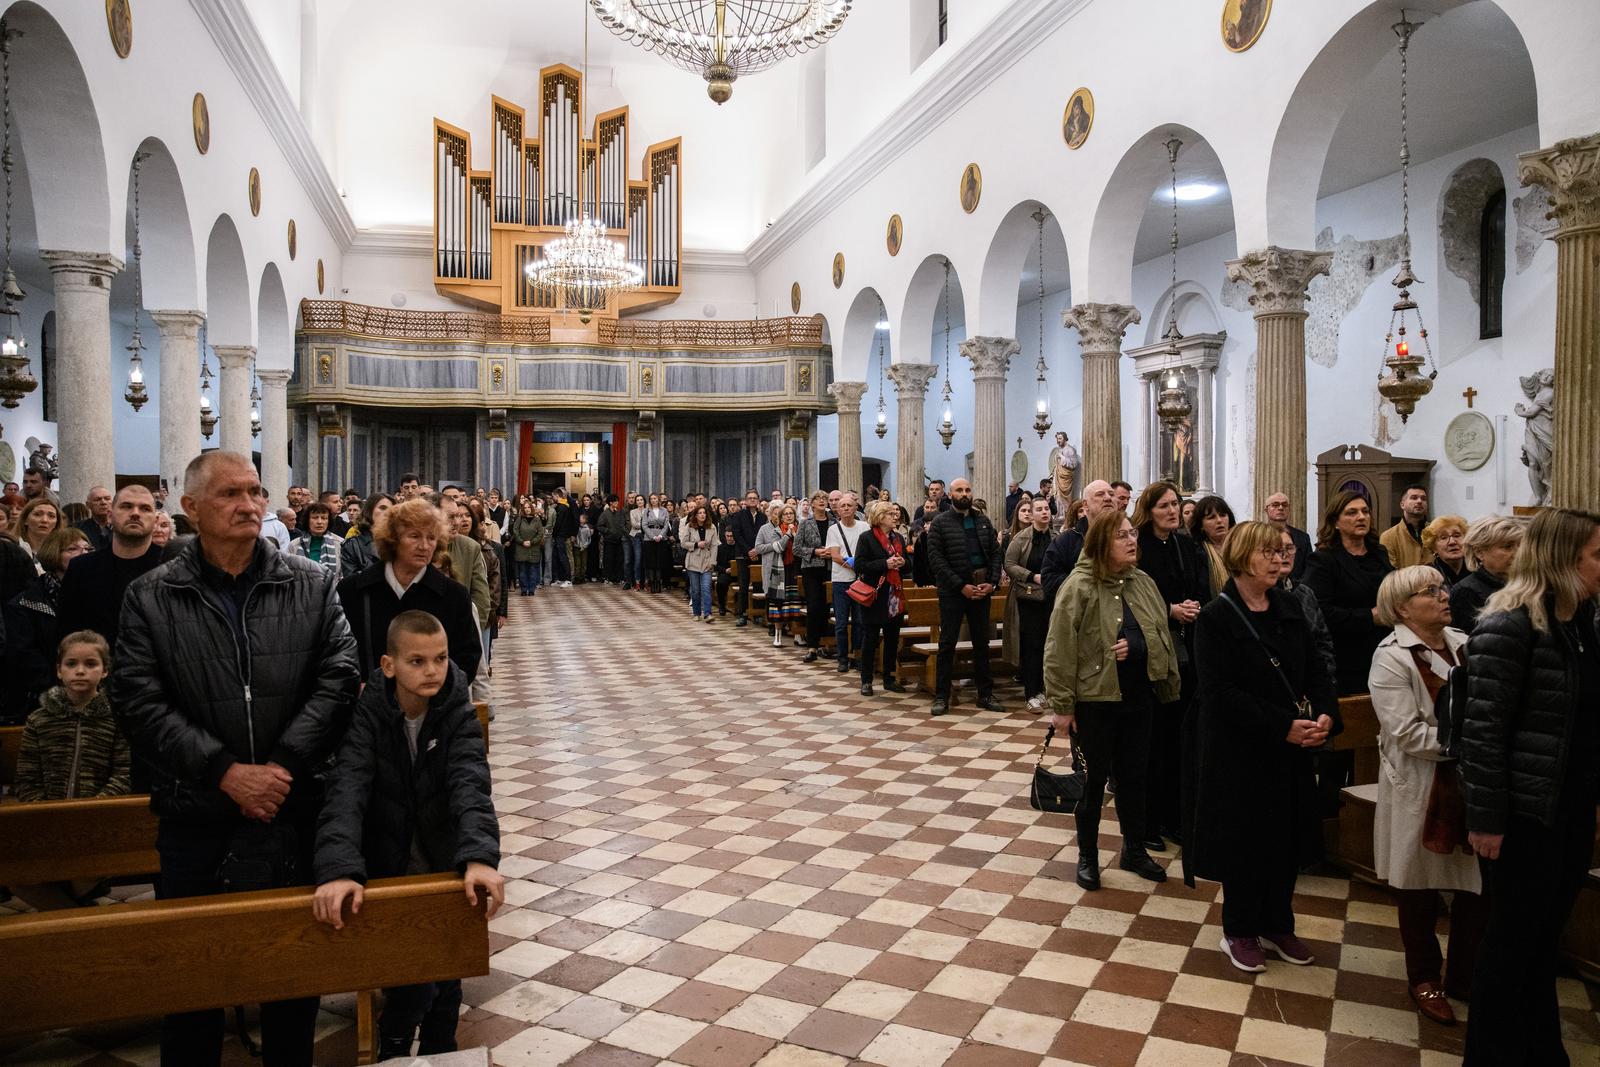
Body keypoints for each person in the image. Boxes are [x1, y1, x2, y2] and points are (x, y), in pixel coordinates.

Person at [113, 450, 360, 1066]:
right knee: (193, 986)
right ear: (191, 508)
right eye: (230, 494)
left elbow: (340, 674)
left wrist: (279, 768)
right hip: (195, 812)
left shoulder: (310, 582)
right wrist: (225, 771)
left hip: (291, 808)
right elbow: (138, 701)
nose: (249, 504)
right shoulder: (151, 596)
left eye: (255, 491)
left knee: (291, 986)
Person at [312, 611, 502, 1060]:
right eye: (417, 661)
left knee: (449, 970)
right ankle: (394, 1043)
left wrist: (478, 857)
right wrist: (339, 868)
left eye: (440, 658)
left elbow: (470, 783)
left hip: (441, 854)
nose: (432, 670)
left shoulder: (456, 707)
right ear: (388, 664)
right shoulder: (369, 713)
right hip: (389, 856)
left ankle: (441, 1050)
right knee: (408, 972)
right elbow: (347, 789)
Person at [1459, 508, 1600, 1064]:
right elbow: (1483, 735)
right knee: (1511, 943)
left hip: (1566, 804)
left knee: (1546, 940)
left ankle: (1541, 1049)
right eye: (1595, 554)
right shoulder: (1509, 624)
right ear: (1564, 559)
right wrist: (1487, 820)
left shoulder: (1581, 622)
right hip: (1520, 813)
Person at [1184, 520, 1338, 974]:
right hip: (1240, 749)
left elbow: (1315, 669)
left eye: (1281, 552)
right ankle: (1240, 928)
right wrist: (1281, 726)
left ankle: (1277, 922)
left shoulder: (1287, 605)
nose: (1279, 559)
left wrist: (1326, 712)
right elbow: (1219, 692)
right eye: (1268, 552)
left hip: (1290, 744)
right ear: (1241, 557)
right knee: (1245, 839)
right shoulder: (1217, 617)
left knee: (1286, 836)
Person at [1368, 566, 1487, 1026]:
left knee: (1475, 884)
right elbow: (1405, 732)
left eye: (1443, 588)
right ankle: (1423, 976)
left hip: (1470, 783)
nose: (1443, 596)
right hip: (1422, 782)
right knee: (1417, 884)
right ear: (1402, 607)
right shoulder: (1392, 656)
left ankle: (1463, 973)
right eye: (1430, 592)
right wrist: (1467, 744)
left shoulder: (1462, 642)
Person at [1045, 509, 1180, 889]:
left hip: (1138, 698)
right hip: (1094, 701)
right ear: (1103, 542)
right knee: (1091, 783)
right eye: (1122, 536)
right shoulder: (1079, 586)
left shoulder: (1143, 583)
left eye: (1132, 534)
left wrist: (1139, 646)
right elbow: (1058, 648)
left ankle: (1133, 849)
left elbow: (1162, 636)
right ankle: (1087, 856)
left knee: (1135, 780)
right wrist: (1062, 706)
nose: (1132, 540)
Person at [1132, 481, 1209, 847]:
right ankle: (1148, 823)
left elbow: (1200, 584)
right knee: (1154, 742)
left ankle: (1176, 817)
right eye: (1164, 505)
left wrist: (1193, 606)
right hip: (1152, 654)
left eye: (1176, 504)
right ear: (1149, 510)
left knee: (1181, 740)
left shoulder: (1184, 544)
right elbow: (1130, 598)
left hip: (1186, 648)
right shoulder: (1139, 546)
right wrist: (1170, 610)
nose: (1172, 511)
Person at [338, 497, 481, 683]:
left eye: (431, 537)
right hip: (370, 707)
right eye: (414, 536)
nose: (424, 546)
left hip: (432, 706)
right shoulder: (353, 591)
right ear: (393, 539)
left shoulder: (454, 595)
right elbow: (337, 653)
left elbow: (467, 659)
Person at [15, 630, 129, 801]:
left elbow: (124, 773)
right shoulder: (38, 720)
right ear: (59, 670)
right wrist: (43, 810)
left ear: (105, 670)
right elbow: (27, 778)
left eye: (91, 664)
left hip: (102, 816)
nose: (80, 671)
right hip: (47, 817)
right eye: (71, 664)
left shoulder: (118, 719)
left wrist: (93, 808)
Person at [925, 478, 1004, 716]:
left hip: (981, 589)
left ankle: (985, 694)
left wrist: (991, 582)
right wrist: (961, 586)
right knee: (947, 643)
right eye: (959, 490)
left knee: (982, 642)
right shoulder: (940, 523)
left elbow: (995, 553)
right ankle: (942, 696)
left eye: (968, 489)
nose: (965, 493)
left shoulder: (982, 520)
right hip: (953, 592)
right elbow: (936, 560)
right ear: (950, 494)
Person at [1305, 489, 1394, 695]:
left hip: (1385, 647)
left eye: (1365, 511)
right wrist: (1369, 617)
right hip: (1347, 654)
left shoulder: (1378, 553)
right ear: (1335, 522)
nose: (1361, 517)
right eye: (1351, 513)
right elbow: (1321, 612)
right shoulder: (1324, 560)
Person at [57, 485, 163, 650]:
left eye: (145, 508)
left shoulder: (173, 567)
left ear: (155, 520)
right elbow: (66, 630)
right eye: (126, 506)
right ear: (110, 516)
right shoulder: (81, 568)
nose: (135, 513)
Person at [5, 527, 91, 722]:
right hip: (42, 701)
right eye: (72, 549)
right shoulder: (26, 603)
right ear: (54, 553)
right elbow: (23, 655)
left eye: (87, 549)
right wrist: (63, 686)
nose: (83, 554)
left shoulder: (100, 595)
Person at [1003, 500, 1055, 711]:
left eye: (1046, 509)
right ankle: (1031, 693)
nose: (1044, 512)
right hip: (1028, 599)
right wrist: (1032, 576)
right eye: (1039, 510)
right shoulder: (1021, 538)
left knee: (1047, 645)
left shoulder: (1056, 537)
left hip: (1050, 598)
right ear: (1031, 515)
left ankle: (1043, 690)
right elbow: (1009, 565)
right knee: (1032, 646)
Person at [854, 499, 909, 696]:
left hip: (894, 596)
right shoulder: (867, 538)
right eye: (889, 514)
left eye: (894, 513)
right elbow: (860, 565)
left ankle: (889, 678)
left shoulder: (898, 539)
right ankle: (866, 681)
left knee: (892, 639)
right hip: (875, 595)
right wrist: (884, 564)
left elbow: (909, 566)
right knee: (870, 639)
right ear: (879, 518)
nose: (894, 516)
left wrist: (903, 563)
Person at [1040, 479, 1116, 604]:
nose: (1108, 498)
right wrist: (1089, 585)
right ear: (1085, 505)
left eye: (1111, 494)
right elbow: (1049, 580)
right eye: (1100, 494)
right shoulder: (1066, 541)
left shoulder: (1129, 536)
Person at [1450, 514, 1525, 634]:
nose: (1517, 553)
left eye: (1519, 546)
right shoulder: (1466, 592)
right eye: (1507, 547)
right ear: (1479, 552)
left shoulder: (1523, 584)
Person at [823, 492, 867, 672]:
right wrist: (854, 564)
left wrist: (859, 563)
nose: (846, 508)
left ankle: (857, 656)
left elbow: (867, 551)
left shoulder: (864, 526)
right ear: (838, 510)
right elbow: (834, 555)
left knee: (859, 621)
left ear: (856, 508)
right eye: (843, 506)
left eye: (850, 505)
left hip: (860, 581)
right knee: (841, 622)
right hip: (841, 580)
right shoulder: (833, 529)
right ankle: (842, 658)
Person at [795, 491, 832, 662]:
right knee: (814, 607)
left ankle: (827, 644)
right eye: (818, 499)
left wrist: (831, 553)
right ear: (811, 504)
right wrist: (815, 552)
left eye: (824, 499)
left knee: (827, 607)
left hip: (831, 568)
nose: (822, 501)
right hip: (811, 569)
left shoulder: (834, 522)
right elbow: (797, 549)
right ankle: (812, 647)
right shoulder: (805, 523)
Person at [755, 502, 797, 648]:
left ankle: (798, 634)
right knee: (778, 602)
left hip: (794, 569)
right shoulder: (775, 530)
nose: (789, 516)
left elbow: (800, 549)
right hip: (779, 569)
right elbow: (778, 547)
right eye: (785, 514)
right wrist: (787, 535)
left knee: (795, 602)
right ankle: (777, 633)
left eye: (791, 513)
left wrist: (796, 535)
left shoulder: (800, 528)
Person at [1188, 495, 1235, 596]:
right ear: (1201, 526)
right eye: (1211, 517)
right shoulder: (1195, 553)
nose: (1219, 520)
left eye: (1223, 515)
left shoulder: (1240, 549)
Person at [729, 490, 764, 624]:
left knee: (758, 584)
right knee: (743, 585)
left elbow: (763, 535)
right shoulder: (739, 515)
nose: (752, 500)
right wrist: (749, 550)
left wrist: (757, 550)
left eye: (755, 498)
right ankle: (742, 613)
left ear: (758, 500)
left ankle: (758, 613)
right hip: (743, 554)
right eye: (750, 498)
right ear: (745, 500)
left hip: (758, 554)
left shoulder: (762, 517)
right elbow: (737, 535)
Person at [1263, 491, 1313, 582]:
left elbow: (1309, 569)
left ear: (1289, 510)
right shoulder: (1258, 535)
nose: (1281, 508)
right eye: (1275, 505)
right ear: (1266, 510)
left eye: (1285, 505)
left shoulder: (1302, 537)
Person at [1380, 485, 1432, 569]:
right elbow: (1391, 574)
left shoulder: (1436, 531)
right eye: (1414, 498)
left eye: (1423, 498)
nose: (1419, 501)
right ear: (1402, 505)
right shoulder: (1388, 537)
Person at [341, 493, 393, 579]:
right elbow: (352, 583)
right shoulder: (352, 545)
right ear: (370, 511)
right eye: (382, 508)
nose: (387, 513)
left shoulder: (399, 543)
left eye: (391, 510)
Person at [682, 505, 718, 622]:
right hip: (693, 560)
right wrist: (696, 544)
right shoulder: (690, 526)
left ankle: (708, 614)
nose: (702, 515)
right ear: (696, 515)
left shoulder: (712, 527)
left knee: (706, 587)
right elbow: (683, 543)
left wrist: (713, 562)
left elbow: (714, 546)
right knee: (695, 589)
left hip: (707, 561)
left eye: (704, 513)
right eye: (700, 513)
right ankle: (696, 612)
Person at [287, 502, 345, 573]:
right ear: (307, 520)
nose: (319, 522)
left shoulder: (340, 544)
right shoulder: (294, 545)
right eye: (315, 518)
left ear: (329, 521)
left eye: (324, 518)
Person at [14, 495, 61, 572]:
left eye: (51, 516)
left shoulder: (62, 551)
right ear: (25, 520)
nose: (45, 520)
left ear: (56, 523)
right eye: (37, 514)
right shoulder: (12, 548)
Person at [509, 499, 544, 596]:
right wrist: (522, 541)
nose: (527, 509)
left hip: (534, 548)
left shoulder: (537, 520)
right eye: (525, 508)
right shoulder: (519, 519)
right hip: (521, 548)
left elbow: (540, 533)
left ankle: (531, 589)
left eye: (529, 507)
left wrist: (532, 542)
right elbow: (515, 531)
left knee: (533, 571)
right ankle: (524, 589)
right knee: (523, 571)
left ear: (531, 508)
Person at [1422, 515, 1469, 587]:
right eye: (1444, 538)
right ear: (1433, 547)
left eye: (1456, 535)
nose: (1452, 542)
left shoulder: (1478, 569)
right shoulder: (1426, 576)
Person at [641, 493, 672, 594]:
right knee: (651, 563)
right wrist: (653, 536)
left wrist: (661, 536)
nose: (653, 500)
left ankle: (659, 583)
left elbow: (666, 525)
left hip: (661, 538)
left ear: (658, 500)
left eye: (655, 498)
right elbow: (644, 525)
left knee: (659, 562)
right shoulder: (646, 511)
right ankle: (652, 583)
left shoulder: (664, 510)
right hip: (649, 538)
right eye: (651, 499)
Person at [75, 485, 114, 551]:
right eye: (97, 500)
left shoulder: (122, 527)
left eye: (107, 499)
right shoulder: (77, 529)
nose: (103, 502)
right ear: (88, 505)